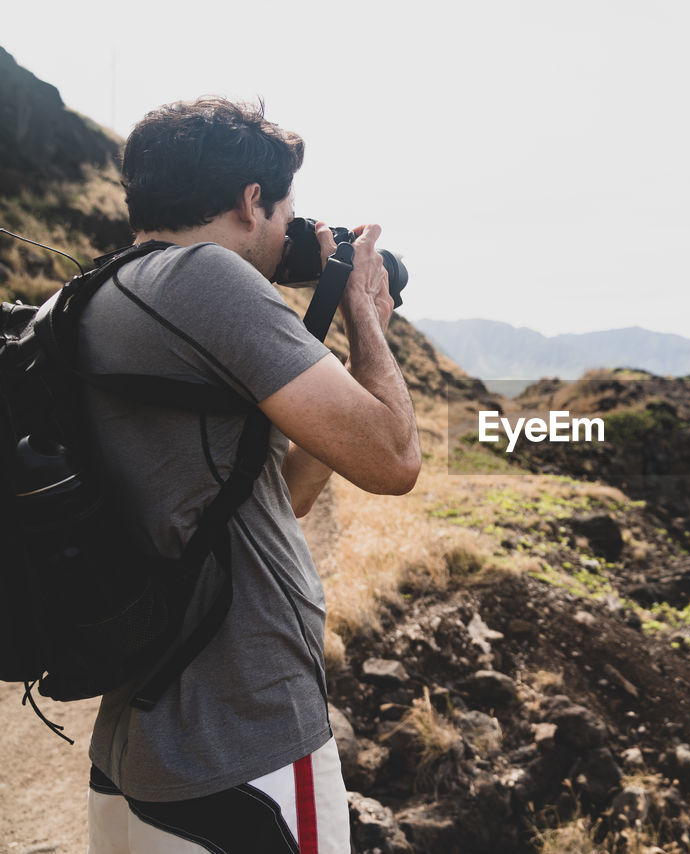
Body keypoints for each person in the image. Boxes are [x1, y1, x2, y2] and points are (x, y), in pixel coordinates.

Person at [79, 97, 420, 853]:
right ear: (251, 201)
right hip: (242, 736)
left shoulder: (107, 292)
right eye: (287, 215)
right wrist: (364, 312)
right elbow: (395, 460)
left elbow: (273, 498)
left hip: (146, 736)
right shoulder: (206, 280)